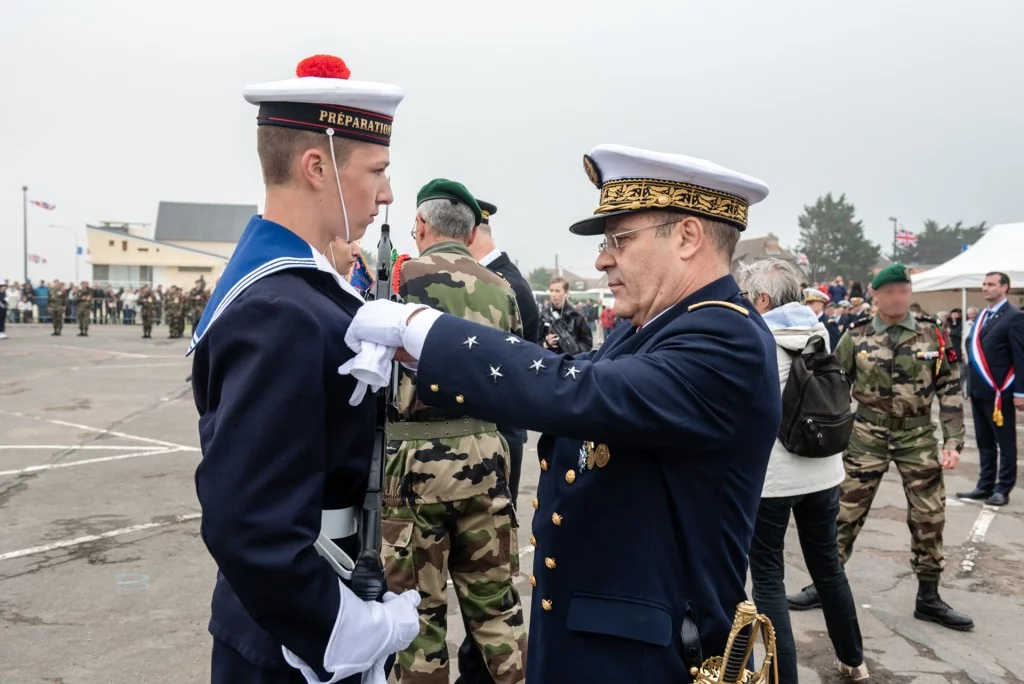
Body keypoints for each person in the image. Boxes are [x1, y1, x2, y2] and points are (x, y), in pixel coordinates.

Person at [341, 143, 781, 683]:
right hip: (597, 645)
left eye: (619, 239)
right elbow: (564, 374)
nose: (602, 258)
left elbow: (579, 390)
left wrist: (427, 332)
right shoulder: (650, 328)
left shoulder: (725, 337)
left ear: (688, 237)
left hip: (648, 660)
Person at [188, 54, 420, 684]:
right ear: (316, 166)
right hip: (288, 642)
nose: (389, 193)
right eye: (376, 171)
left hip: (297, 609)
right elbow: (251, 525)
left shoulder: (297, 291)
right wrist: (340, 628)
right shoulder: (281, 309)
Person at [382, 179, 527, 684]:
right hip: (487, 456)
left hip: (414, 464)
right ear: (469, 234)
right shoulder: (502, 288)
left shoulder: (399, 278)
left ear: (421, 226)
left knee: (417, 614)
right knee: (497, 607)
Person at [787, 264, 972, 631]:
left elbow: (949, 389)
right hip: (866, 435)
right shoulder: (856, 337)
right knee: (843, 513)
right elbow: (831, 383)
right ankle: (824, 585)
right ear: (876, 295)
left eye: (903, 290)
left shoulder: (933, 335)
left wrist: (953, 441)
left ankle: (929, 597)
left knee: (929, 517)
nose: (898, 297)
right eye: (890, 291)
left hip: (918, 437)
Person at [739, 259, 867, 683]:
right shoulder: (818, 330)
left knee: (769, 579)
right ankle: (853, 659)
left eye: (746, 296)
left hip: (772, 479)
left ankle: (782, 678)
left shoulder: (755, 339)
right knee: (827, 566)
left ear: (762, 299)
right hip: (823, 469)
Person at [957, 272, 1024, 507]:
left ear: (1004, 287)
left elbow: (1020, 356)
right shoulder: (983, 316)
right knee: (984, 442)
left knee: (1005, 443)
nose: (985, 288)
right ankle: (985, 484)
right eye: (984, 284)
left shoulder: (1014, 317)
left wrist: (1020, 392)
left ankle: (1003, 488)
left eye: (991, 284)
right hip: (980, 390)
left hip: (1000, 391)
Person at [540, 276, 592, 353]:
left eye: (557, 291)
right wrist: (546, 343)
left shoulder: (577, 316)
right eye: (551, 291)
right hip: (549, 361)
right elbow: (533, 343)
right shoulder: (542, 315)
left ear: (566, 293)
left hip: (571, 362)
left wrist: (573, 348)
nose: (553, 294)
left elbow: (587, 343)